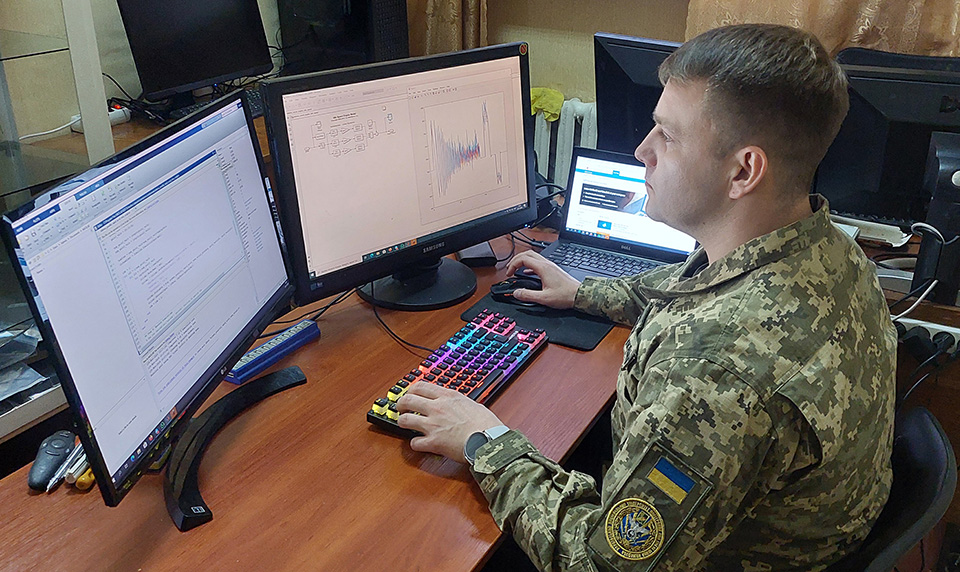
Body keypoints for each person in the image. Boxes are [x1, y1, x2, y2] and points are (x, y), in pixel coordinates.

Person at [396, 23, 896, 571]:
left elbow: (599, 565)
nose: (642, 150)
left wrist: (483, 440)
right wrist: (583, 292)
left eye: (668, 136)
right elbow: (698, 293)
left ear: (743, 171)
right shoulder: (828, 248)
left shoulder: (716, 377)